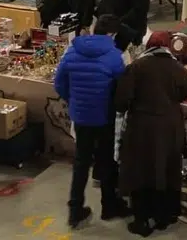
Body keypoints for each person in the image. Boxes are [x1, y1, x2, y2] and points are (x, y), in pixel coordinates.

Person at [54, 14, 129, 228]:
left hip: (81, 116)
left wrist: (74, 101)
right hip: (104, 116)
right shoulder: (114, 56)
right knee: (106, 161)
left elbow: (59, 84)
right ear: (111, 34)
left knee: (81, 163)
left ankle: (75, 210)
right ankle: (109, 205)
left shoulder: (72, 51)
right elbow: (121, 89)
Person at [115, 32, 187, 236]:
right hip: (171, 127)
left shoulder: (136, 67)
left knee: (142, 171)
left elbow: (121, 101)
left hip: (142, 129)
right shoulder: (178, 68)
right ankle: (165, 216)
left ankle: (142, 221)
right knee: (168, 170)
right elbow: (185, 94)